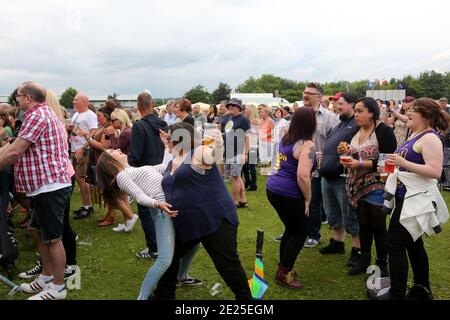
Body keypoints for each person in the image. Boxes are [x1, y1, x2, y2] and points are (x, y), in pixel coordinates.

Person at [151, 122, 251, 300]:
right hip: (188, 224)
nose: (168, 139)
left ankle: (246, 301)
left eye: (170, 136)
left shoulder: (198, 152)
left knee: (226, 264)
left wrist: (218, 143)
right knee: (169, 257)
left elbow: (213, 156)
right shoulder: (174, 158)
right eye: (167, 136)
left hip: (214, 220)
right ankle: (163, 295)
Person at [96, 145, 200, 300]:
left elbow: (168, 166)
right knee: (164, 260)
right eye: (113, 152)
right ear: (110, 162)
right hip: (162, 213)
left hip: (171, 208)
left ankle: (182, 276)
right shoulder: (121, 176)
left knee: (194, 243)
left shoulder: (136, 168)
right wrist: (157, 204)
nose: (118, 150)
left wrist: (168, 146)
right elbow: (139, 197)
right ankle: (142, 298)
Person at [0, 82, 72, 300]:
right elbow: (14, 145)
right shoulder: (42, 113)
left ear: (28, 98)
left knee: (53, 238)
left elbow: (15, 151)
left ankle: (58, 287)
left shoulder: (36, 115)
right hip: (43, 186)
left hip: (49, 186)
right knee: (35, 231)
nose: (16, 102)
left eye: (18, 97)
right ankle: (46, 276)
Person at [375, 98, 450, 300]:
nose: (407, 114)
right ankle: (421, 290)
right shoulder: (416, 134)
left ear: (425, 116)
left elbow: (435, 171)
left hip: (416, 200)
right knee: (414, 244)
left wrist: (402, 161)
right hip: (405, 197)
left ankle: (396, 294)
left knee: (395, 244)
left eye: (412, 111)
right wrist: (396, 167)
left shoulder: (430, 138)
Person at [341, 97, 396, 275]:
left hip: (377, 184)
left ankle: (382, 265)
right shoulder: (358, 130)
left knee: (378, 225)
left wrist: (359, 164)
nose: (355, 115)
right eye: (355, 111)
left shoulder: (384, 131)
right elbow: (355, 151)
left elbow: (388, 161)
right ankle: (364, 260)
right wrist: (346, 151)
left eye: (359, 111)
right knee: (363, 224)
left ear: (371, 113)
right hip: (357, 185)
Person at [266, 107, 316, 289]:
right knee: (300, 232)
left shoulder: (287, 138)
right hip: (288, 192)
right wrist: (308, 199)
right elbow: (303, 176)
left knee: (291, 229)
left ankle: (283, 267)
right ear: (311, 123)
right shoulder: (307, 144)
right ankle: (283, 273)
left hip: (273, 187)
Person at [319, 93, 361, 268]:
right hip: (328, 175)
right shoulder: (339, 123)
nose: (337, 107)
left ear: (352, 104)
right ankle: (337, 243)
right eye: (336, 104)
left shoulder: (357, 124)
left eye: (341, 104)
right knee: (332, 212)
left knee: (350, 214)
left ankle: (358, 250)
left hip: (343, 176)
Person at [128, 91, 168, 260]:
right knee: (161, 211)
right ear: (152, 105)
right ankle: (164, 244)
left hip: (145, 173)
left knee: (146, 211)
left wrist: (129, 165)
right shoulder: (163, 124)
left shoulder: (139, 126)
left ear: (138, 107)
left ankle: (154, 248)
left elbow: (134, 155)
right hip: (162, 170)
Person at [303, 83, 339, 248]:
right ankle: (297, 231)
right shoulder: (299, 114)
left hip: (318, 167)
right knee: (297, 200)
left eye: (309, 93)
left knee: (313, 202)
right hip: (299, 166)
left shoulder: (329, 117)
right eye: (304, 92)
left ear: (319, 97)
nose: (305, 95)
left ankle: (313, 234)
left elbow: (336, 140)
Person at [70, 94, 98, 219]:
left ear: (83, 102)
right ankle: (87, 205)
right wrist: (71, 128)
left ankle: (87, 207)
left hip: (83, 150)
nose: (73, 101)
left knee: (81, 178)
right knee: (78, 178)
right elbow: (78, 131)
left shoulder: (90, 115)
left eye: (76, 100)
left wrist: (83, 148)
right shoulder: (76, 114)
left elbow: (93, 133)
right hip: (75, 149)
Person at [224, 98, 250, 208]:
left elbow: (247, 137)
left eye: (233, 106)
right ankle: (243, 199)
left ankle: (233, 201)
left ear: (239, 108)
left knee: (234, 178)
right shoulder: (230, 119)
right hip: (229, 151)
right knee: (236, 177)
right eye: (229, 106)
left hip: (238, 152)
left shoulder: (243, 119)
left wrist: (245, 153)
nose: (231, 108)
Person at [258, 105, 275, 175]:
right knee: (262, 156)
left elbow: (273, 132)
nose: (260, 114)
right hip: (262, 142)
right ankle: (263, 171)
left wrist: (266, 136)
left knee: (269, 156)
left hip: (268, 141)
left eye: (262, 112)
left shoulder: (270, 121)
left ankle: (270, 170)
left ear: (266, 113)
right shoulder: (262, 121)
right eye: (260, 112)